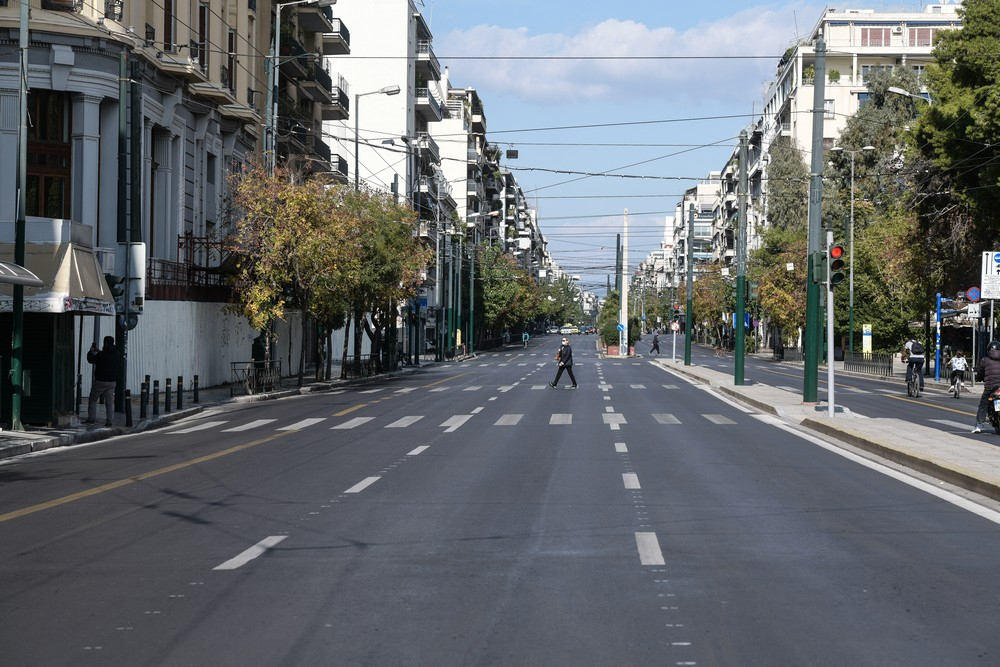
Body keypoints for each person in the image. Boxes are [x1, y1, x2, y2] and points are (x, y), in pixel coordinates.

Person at [86, 336, 119, 427]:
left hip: (100, 381)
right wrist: (99, 351)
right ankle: (109, 421)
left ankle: (91, 419)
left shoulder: (101, 355)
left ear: (105, 343)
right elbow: (108, 355)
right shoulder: (117, 354)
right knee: (109, 402)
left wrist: (91, 351)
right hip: (112, 381)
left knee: (93, 399)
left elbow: (91, 360)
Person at [973, 340, 1000, 433]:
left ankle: (979, 425)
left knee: (983, 405)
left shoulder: (985, 360)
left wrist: (978, 378)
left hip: (990, 386)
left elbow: (980, 372)